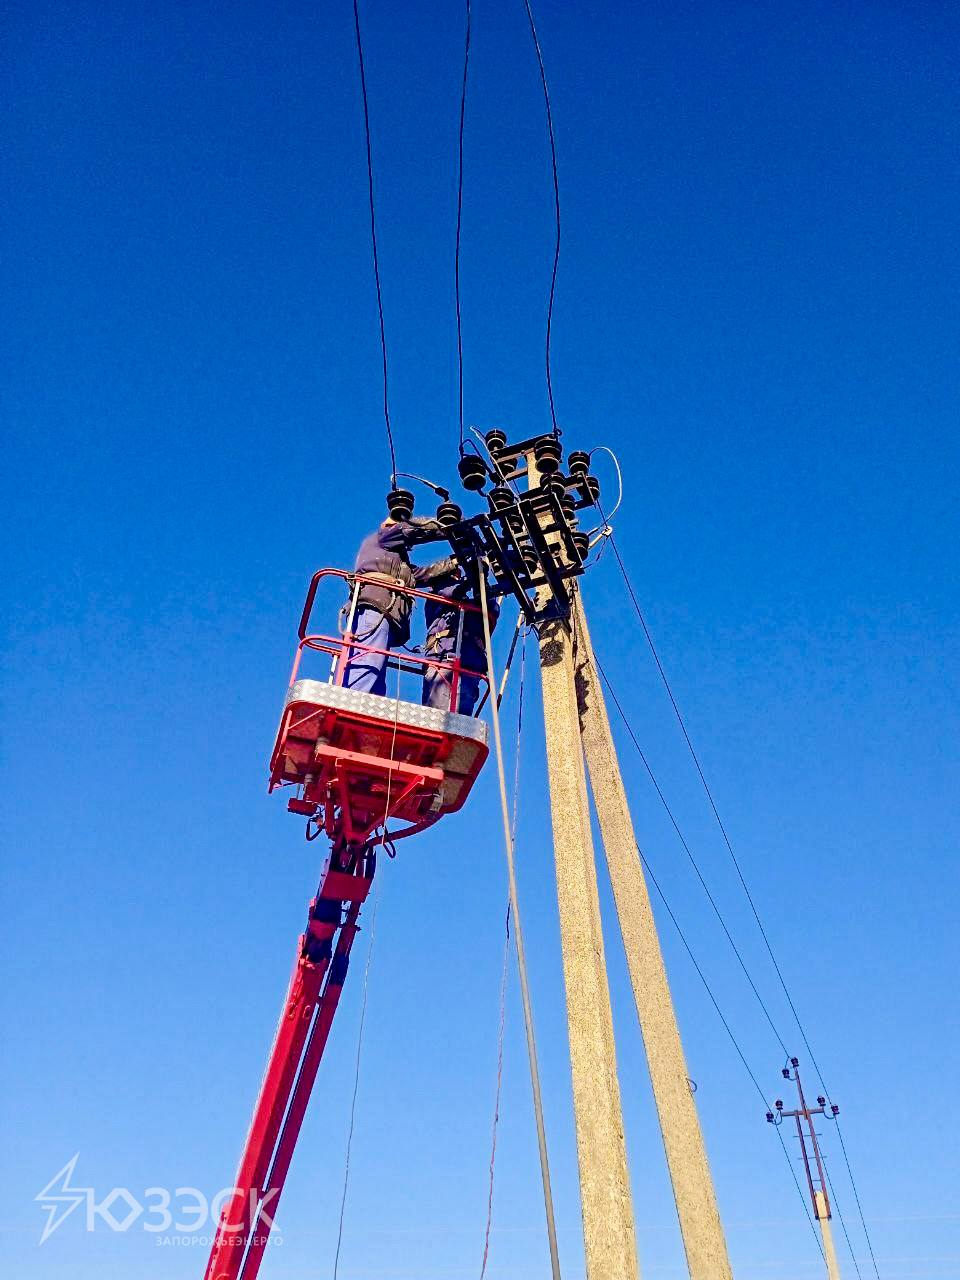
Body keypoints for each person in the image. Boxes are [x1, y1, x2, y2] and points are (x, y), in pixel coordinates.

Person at [343, 516, 458, 697]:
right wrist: (449, 526)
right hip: (375, 605)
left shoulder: (395, 560)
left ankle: (370, 700)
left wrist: (453, 562)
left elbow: (419, 575)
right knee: (369, 659)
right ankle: (357, 699)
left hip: (385, 610)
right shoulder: (383, 537)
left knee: (376, 662)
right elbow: (411, 529)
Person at [421, 562, 499, 715]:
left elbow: (491, 605)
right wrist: (470, 578)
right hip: (442, 661)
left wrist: (480, 580)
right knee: (437, 718)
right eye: (454, 576)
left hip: (470, 665)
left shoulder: (474, 606)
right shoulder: (435, 598)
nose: (457, 578)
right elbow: (450, 591)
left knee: (460, 722)